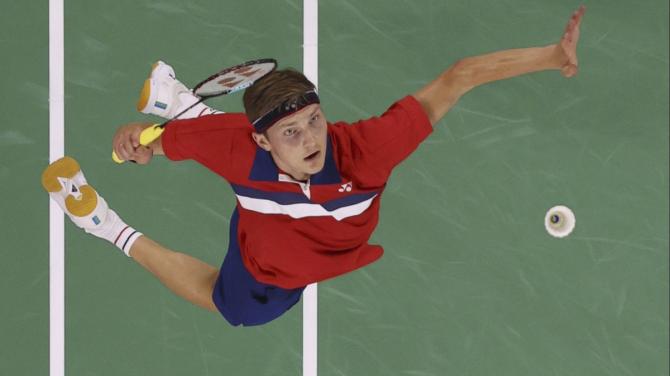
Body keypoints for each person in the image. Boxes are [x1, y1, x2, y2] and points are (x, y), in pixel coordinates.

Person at [43, 6, 586, 326]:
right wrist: (134, 143)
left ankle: (175, 96)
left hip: (294, 258)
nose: (312, 140)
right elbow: (145, 145)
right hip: (261, 258)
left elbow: (459, 77)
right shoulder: (237, 146)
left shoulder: (367, 148)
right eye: (292, 132)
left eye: (315, 119)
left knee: (208, 141)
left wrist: (550, 55)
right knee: (225, 301)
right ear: (264, 138)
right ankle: (105, 225)